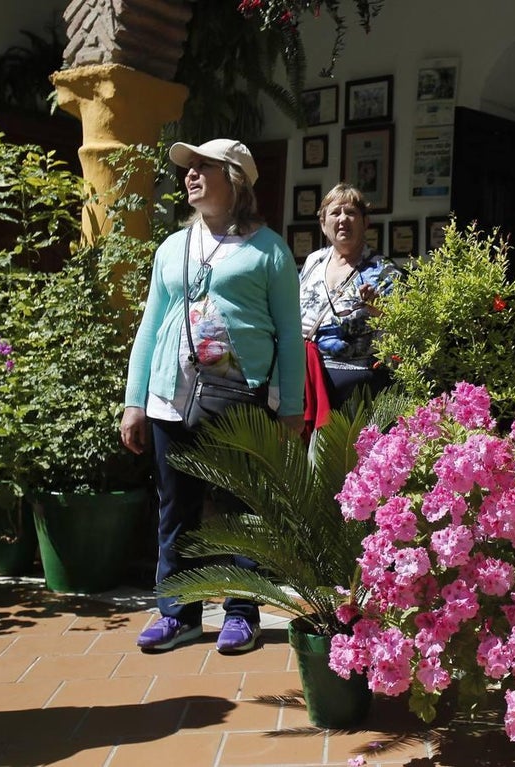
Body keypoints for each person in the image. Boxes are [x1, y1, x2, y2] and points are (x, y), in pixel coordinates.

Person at [120, 138, 304, 653]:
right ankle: (177, 614)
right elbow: (150, 325)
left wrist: (291, 409)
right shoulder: (172, 248)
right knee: (175, 510)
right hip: (170, 399)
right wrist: (135, 401)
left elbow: (290, 336)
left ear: (235, 179)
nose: (191, 174)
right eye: (189, 167)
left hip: (239, 399)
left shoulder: (269, 250)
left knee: (242, 509)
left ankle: (242, 614)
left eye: (205, 167)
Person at [298, 183, 401, 411]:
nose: (343, 219)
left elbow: (403, 330)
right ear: (323, 224)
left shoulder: (384, 270)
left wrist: (380, 311)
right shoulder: (313, 261)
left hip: (358, 390)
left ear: (365, 222)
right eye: (335, 213)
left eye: (351, 213)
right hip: (308, 379)